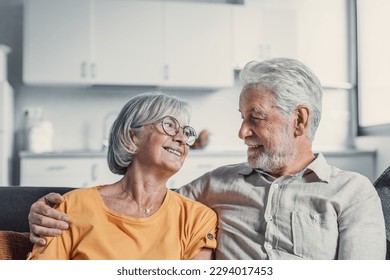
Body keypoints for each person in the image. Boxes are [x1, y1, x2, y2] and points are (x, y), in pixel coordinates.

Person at [28, 58, 386, 260]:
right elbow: (138, 201)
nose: (242, 132)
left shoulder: (351, 193)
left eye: (255, 118)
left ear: (300, 120)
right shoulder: (215, 185)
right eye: (242, 118)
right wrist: (46, 208)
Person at [27, 92, 217, 260]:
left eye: (186, 132)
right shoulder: (71, 207)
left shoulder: (197, 218)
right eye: (169, 125)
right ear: (132, 136)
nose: (181, 138)